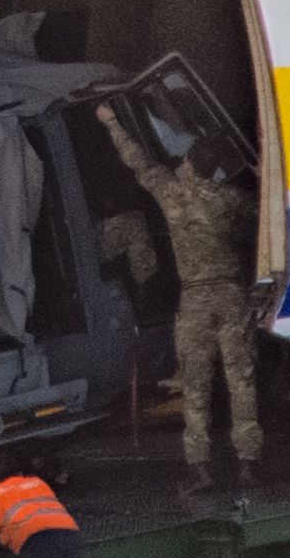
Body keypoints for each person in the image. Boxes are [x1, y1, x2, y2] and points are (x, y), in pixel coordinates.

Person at [98, 93, 263, 493]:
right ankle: (248, 468)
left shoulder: (172, 194)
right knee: (241, 381)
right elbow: (258, 228)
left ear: (189, 164)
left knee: (196, 385)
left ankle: (200, 471)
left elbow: (137, 160)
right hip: (231, 296)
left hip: (194, 302)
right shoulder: (233, 200)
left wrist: (110, 122)